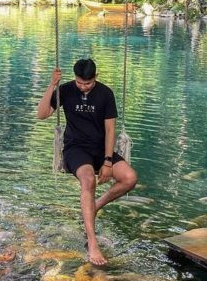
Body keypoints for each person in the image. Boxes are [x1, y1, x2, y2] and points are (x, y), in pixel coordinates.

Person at [36, 58, 138, 265]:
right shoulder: (65, 90)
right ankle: (92, 242)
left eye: (88, 83)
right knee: (88, 180)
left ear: (95, 78)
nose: (83, 87)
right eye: (80, 83)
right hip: (75, 148)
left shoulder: (105, 94)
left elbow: (110, 130)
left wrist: (108, 161)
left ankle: (95, 205)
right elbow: (41, 115)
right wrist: (52, 85)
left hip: (101, 149)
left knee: (130, 178)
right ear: (75, 78)